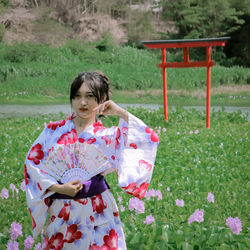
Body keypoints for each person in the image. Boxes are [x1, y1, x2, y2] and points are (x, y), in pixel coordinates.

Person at [24, 71, 159, 249]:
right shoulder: (53, 130)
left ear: (102, 99)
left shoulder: (108, 136)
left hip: (99, 210)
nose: (83, 103)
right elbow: (32, 165)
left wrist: (119, 112)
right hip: (62, 210)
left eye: (90, 96)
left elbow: (147, 137)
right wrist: (58, 187)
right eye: (77, 96)